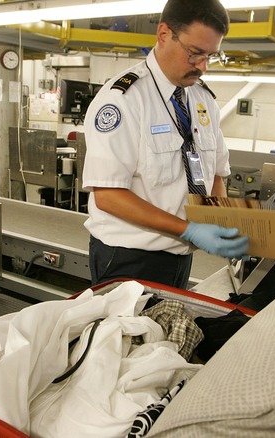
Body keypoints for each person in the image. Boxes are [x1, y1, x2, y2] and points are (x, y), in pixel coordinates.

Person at [82, 0, 248, 289]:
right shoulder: (123, 99)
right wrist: (190, 230)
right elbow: (107, 195)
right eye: (195, 53)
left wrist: (216, 220)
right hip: (128, 258)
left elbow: (217, 174)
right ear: (163, 34)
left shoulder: (203, 100)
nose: (203, 66)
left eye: (211, 56)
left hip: (180, 257)